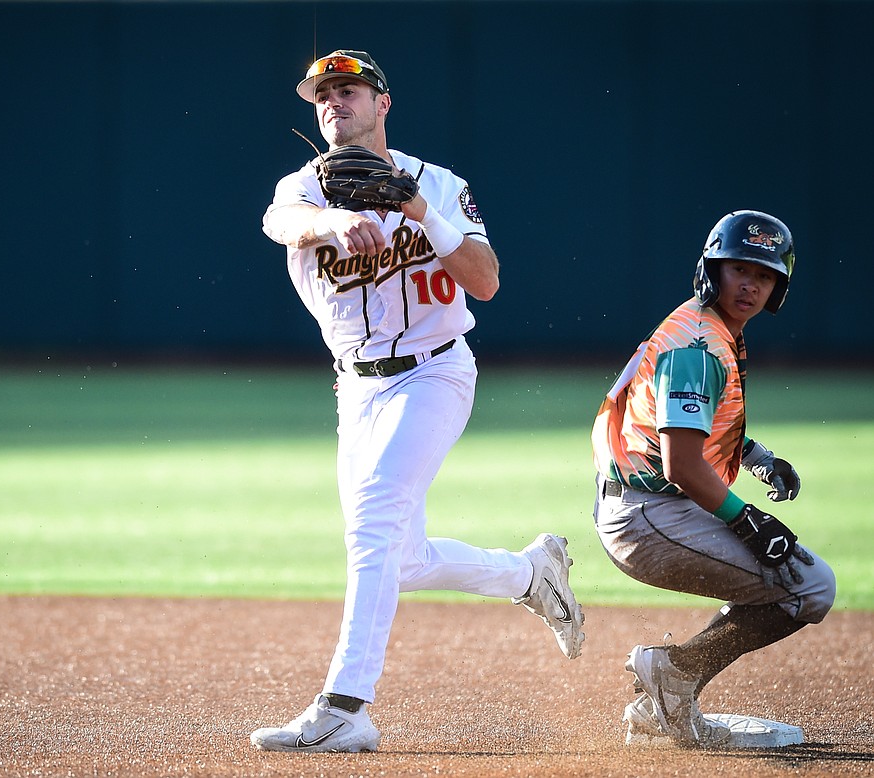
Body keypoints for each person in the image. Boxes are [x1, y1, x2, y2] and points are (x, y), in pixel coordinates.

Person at [249, 49, 585, 754]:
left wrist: (415, 208)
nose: (333, 102)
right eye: (322, 95)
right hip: (356, 387)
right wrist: (333, 224)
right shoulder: (300, 188)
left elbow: (486, 281)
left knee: (372, 523)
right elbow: (279, 225)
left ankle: (345, 706)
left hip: (433, 373)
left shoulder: (438, 183)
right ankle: (530, 574)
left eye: (348, 89)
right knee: (399, 557)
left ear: (383, 103)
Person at [591, 210, 836, 747]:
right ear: (711, 270)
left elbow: (687, 429)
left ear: (778, 288)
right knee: (810, 586)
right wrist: (747, 518)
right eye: (739, 269)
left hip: (647, 506)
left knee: (795, 582)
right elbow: (681, 464)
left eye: (765, 275)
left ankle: (668, 695)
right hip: (649, 515)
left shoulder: (705, 327)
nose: (750, 284)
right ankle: (673, 678)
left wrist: (758, 456)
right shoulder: (698, 347)